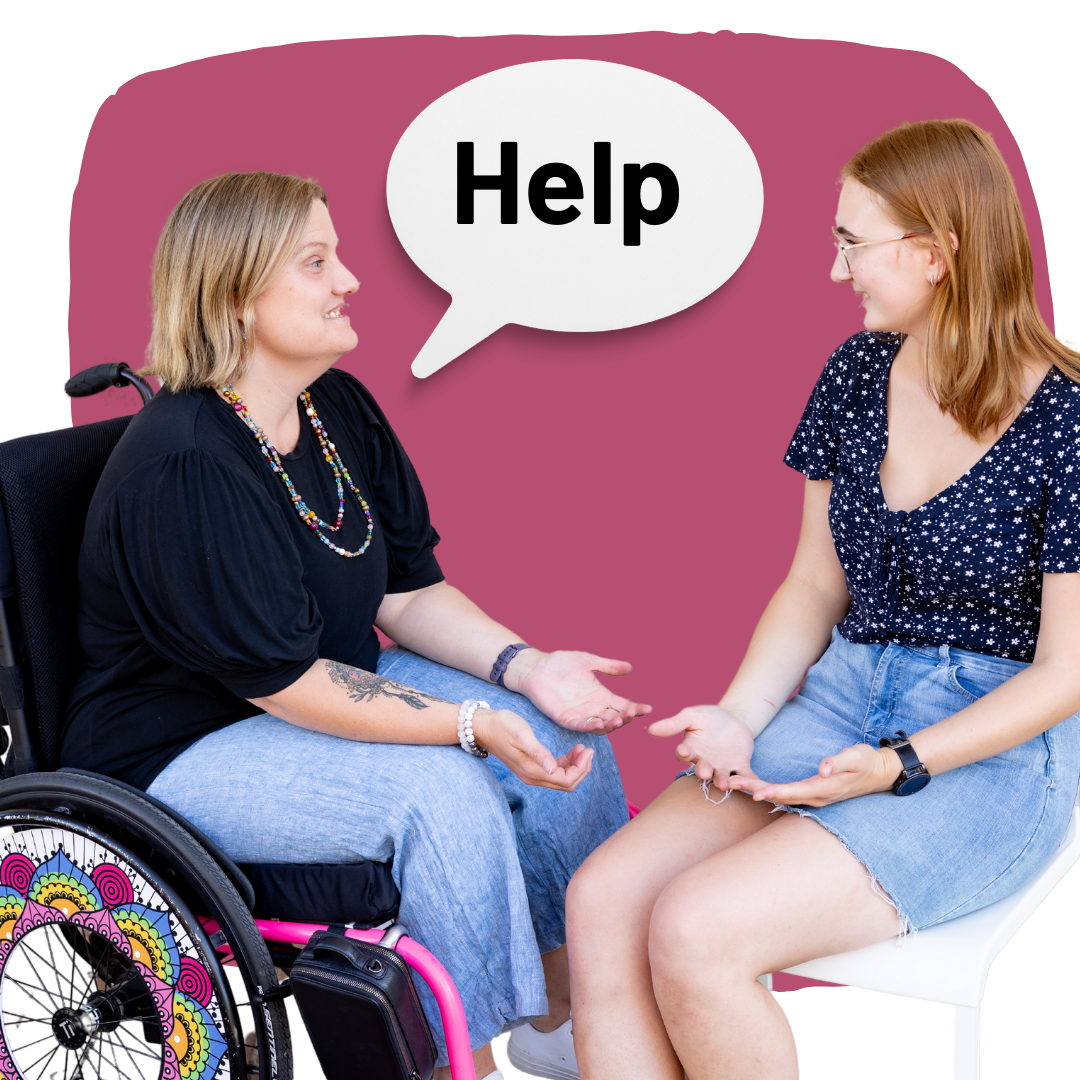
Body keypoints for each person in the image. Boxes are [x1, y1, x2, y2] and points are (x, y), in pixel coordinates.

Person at [61, 171, 651, 1080]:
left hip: (297, 703)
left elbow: (406, 597)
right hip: (179, 748)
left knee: (549, 722)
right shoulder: (185, 466)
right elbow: (289, 684)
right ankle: (462, 1060)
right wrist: (463, 724)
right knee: (445, 788)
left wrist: (523, 670)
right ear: (236, 296)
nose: (351, 281)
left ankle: (570, 1027)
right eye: (317, 262)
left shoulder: (334, 409)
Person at [566, 119, 1080, 1080]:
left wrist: (898, 765)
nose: (836, 267)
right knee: (604, 896)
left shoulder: (1070, 419)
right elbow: (813, 583)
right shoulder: (854, 375)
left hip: (985, 746)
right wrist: (737, 714)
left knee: (697, 929)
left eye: (853, 242)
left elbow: (1067, 674)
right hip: (843, 695)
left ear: (935, 252)